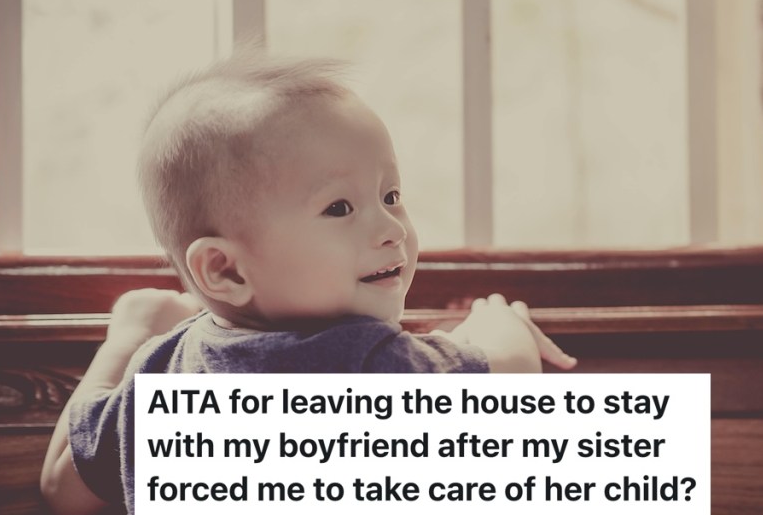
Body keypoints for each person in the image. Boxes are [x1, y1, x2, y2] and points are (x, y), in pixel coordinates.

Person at [40, 50, 577, 514]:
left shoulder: (164, 376)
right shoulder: (363, 359)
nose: (391, 228)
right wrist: (497, 317)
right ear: (224, 270)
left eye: (391, 195)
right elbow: (508, 372)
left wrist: (129, 340)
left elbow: (61, 486)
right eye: (340, 207)